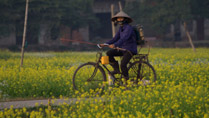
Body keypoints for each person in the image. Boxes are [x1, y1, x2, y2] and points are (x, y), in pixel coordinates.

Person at [99, 11, 137, 81]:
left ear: (125, 19)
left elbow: (124, 38)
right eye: (118, 18)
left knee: (123, 64)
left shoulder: (128, 28)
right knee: (109, 53)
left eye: (121, 18)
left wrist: (115, 45)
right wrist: (105, 44)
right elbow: (115, 38)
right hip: (123, 49)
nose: (119, 20)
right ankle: (116, 70)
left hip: (130, 49)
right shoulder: (121, 29)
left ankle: (126, 81)